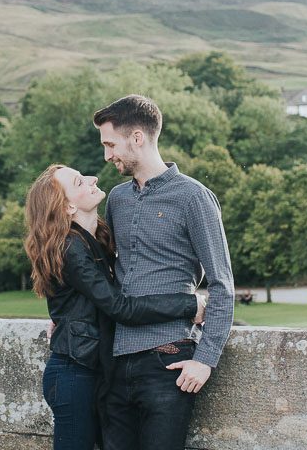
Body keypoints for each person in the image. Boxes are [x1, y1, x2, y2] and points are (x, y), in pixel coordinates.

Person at [25, 163, 207, 450]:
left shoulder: (93, 241)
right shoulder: (72, 249)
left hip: (90, 371)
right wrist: (189, 304)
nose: (92, 178)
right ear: (69, 207)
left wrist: (67, 318)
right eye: (79, 181)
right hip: (74, 374)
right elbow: (120, 307)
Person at [92, 94, 234, 450]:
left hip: (168, 360)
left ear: (137, 138)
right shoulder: (118, 199)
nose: (108, 155)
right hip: (116, 358)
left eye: (111, 144)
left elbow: (222, 284)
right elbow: (105, 272)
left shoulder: (193, 197)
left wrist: (205, 360)